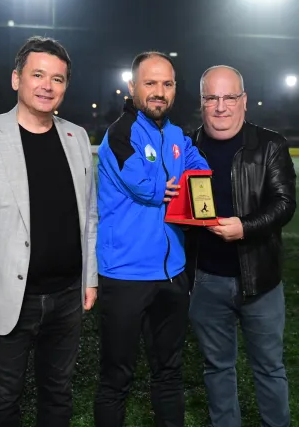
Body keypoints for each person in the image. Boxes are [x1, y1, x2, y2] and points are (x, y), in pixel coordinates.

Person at [0, 36, 98, 426]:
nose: (47, 86)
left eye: (57, 79)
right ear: (17, 79)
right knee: (3, 400)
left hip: (67, 296)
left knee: (59, 394)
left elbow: (89, 217)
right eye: (38, 75)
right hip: (8, 297)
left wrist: (89, 278)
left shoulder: (77, 137)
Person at [94, 51, 209, 427]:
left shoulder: (176, 135)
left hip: (172, 273)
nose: (159, 91)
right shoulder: (120, 133)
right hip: (125, 275)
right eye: (150, 83)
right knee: (117, 377)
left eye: (167, 84)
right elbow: (145, 184)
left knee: (169, 372)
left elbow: (197, 165)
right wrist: (175, 184)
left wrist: (197, 180)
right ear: (132, 87)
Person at [186, 65, 296, 427]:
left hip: (260, 280)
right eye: (211, 98)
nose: (221, 106)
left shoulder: (270, 144)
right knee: (217, 367)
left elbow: (284, 204)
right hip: (205, 279)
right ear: (201, 102)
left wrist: (245, 228)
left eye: (229, 97)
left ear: (244, 100)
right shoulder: (185, 146)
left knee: (269, 367)